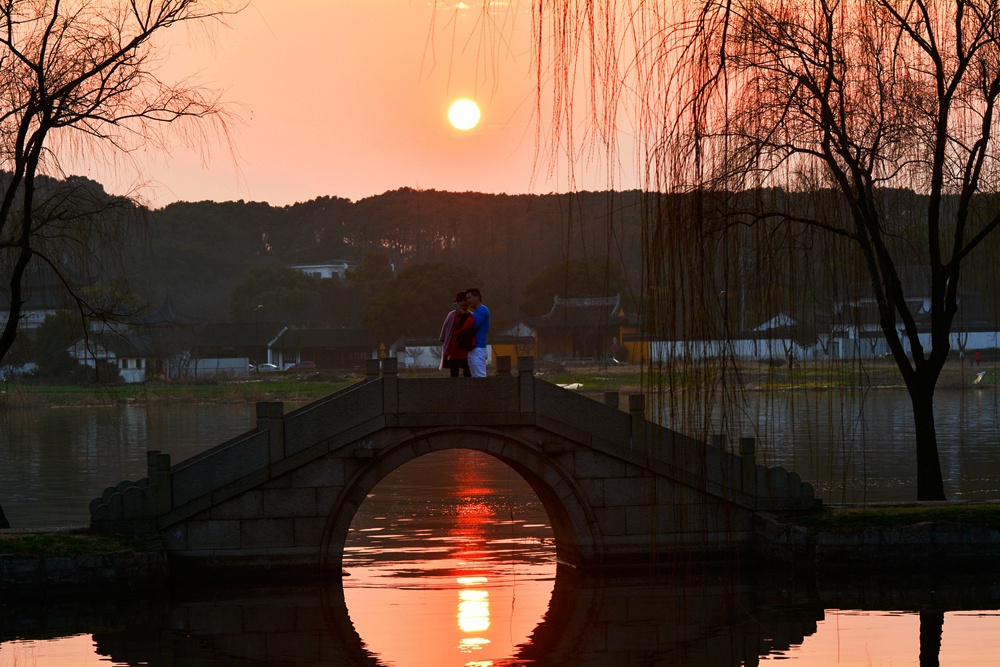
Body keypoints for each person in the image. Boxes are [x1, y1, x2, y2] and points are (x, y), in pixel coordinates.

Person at [439, 291, 472, 377]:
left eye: (465, 300)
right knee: (454, 372)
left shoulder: (471, 315)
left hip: (465, 348)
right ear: (457, 303)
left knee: (467, 371)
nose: (463, 303)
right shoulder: (452, 315)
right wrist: (445, 345)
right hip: (454, 347)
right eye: (460, 301)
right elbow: (445, 329)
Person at [465, 287, 491, 377]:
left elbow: (474, 325)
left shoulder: (482, 310)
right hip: (473, 348)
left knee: (480, 378)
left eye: (470, 298)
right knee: (475, 379)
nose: (468, 301)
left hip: (478, 348)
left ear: (477, 297)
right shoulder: (475, 313)